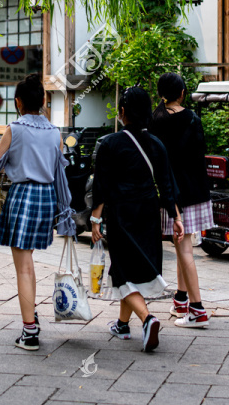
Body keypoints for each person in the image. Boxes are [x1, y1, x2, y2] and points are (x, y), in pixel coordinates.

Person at [0, 73, 75, 352]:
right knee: (28, 263)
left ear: (19, 102)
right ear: (44, 101)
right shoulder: (54, 134)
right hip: (47, 198)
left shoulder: (14, 129)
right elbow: (60, 177)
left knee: (23, 267)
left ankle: (30, 331)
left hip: (23, 196)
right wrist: (66, 215)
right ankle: (31, 317)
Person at [91, 86, 182, 352]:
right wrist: (176, 218)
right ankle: (122, 324)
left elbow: (102, 186)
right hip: (149, 212)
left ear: (122, 113)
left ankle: (147, 318)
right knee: (131, 270)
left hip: (122, 212)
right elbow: (166, 184)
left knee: (121, 271)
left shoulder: (110, 143)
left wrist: (96, 221)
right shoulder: (157, 144)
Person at [150, 72, 214, 328]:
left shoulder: (156, 120)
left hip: (173, 194)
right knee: (183, 247)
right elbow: (200, 153)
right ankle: (180, 300)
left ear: (161, 94)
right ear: (183, 93)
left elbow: (159, 160)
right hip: (197, 191)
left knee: (183, 249)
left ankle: (197, 310)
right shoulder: (193, 118)